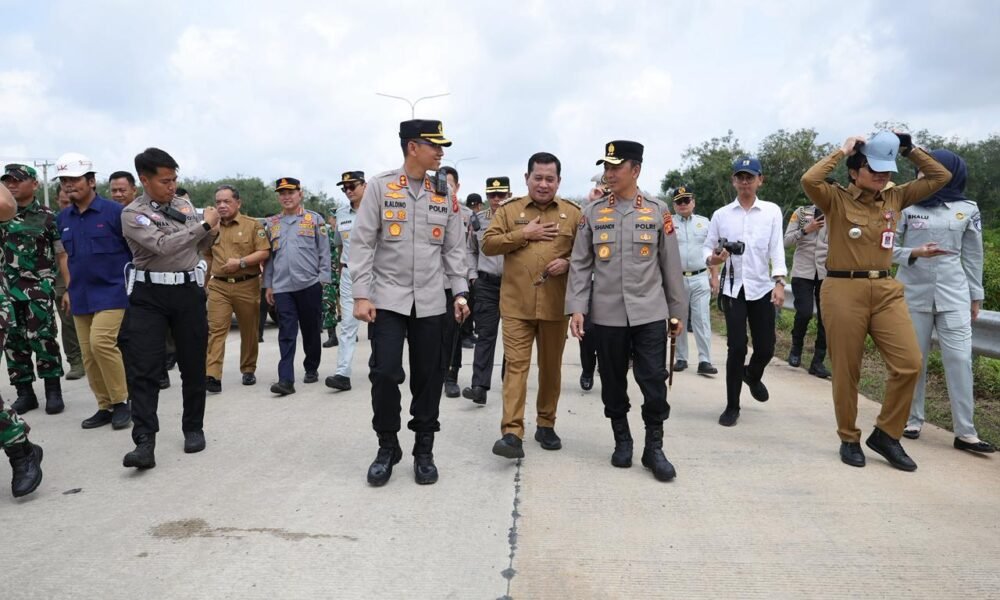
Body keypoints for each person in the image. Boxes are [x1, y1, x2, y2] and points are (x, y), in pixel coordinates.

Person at [802, 130, 952, 471]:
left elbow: (940, 177)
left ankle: (886, 434)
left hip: (885, 289)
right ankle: (848, 437)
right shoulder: (835, 198)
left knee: (910, 363)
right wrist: (842, 150)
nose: (883, 175)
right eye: (875, 169)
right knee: (847, 371)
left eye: (887, 169)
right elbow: (810, 179)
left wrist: (910, 149)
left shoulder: (896, 197)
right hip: (843, 289)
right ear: (855, 172)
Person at [349, 119, 470, 486]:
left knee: (429, 377)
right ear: (412, 147)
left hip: (432, 299)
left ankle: (423, 449)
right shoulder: (380, 187)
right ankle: (387, 445)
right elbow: (362, 243)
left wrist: (460, 291)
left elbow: (454, 248)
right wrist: (361, 295)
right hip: (387, 298)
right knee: (385, 373)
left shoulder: (444, 192)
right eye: (434, 145)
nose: (441, 152)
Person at [567, 141, 686, 482]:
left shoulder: (657, 211)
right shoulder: (592, 213)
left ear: (635, 170)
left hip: (649, 312)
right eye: (606, 167)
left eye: (615, 167)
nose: (609, 173)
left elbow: (670, 265)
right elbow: (580, 264)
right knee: (612, 382)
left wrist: (677, 313)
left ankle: (654, 448)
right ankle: (622, 439)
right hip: (606, 314)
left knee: (654, 382)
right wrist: (577, 308)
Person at [121, 147, 220, 468]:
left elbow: (201, 244)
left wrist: (213, 230)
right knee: (144, 368)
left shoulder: (183, 206)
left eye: (174, 179)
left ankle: (193, 427)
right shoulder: (132, 214)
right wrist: (204, 227)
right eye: (165, 181)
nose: (172, 186)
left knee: (193, 364)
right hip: (149, 295)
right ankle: (144, 441)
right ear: (145, 180)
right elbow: (163, 246)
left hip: (187, 291)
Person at [893, 149, 993, 454]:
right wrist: (913, 253)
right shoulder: (904, 205)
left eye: (932, 168)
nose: (923, 173)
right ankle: (912, 419)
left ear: (950, 173)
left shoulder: (968, 209)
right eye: (921, 169)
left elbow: (973, 255)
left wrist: (976, 295)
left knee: (960, 360)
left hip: (954, 294)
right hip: (911, 293)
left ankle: (966, 432)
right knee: (915, 360)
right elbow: (885, 248)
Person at [482, 152, 581, 459]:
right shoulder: (509, 210)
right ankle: (512, 433)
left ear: (559, 181)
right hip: (516, 305)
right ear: (527, 178)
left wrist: (567, 263)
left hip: (555, 306)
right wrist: (524, 234)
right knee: (516, 367)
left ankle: (546, 423)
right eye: (538, 177)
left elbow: (586, 255)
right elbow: (488, 244)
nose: (543, 184)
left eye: (550, 179)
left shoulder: (573, 213)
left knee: (551, 369)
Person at [705, 157, 787, 427]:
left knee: (766, 347)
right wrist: (713, 259)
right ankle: (732, 405)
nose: (745, 182)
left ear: (760, 180)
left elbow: (777, 248)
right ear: (733, 181)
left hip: (761, 287)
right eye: (740, 177)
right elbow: (708, 247)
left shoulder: (772, 211)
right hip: (733, 288)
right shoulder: (721, 215)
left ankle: (751, 374)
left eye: (750, 177)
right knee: (737, 347)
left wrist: (779, 282)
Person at [55, 153, 133, 431]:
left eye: (74, 179)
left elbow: (135, 251)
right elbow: (66, 257)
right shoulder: (63, 218)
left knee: (101, 343)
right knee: (88, 354)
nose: (68, 185)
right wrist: (68, 289)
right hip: (80, 294)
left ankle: (122, 402)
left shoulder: (114, 212)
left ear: (91, 181)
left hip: (113, 290)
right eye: (64, 180)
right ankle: (105, 405)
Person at [1, 163, 67, 415]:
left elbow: (61, 254)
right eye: (7, 181)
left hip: (38, 289)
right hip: (7, 290)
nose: (11, 185)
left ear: (35, 184)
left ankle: (53, 391)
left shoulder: (48, 217)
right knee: (13, 343)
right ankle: (25, 393)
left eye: (17, 180)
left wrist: (66, 286)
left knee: (44, 339)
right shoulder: (1, 214)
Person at [263, 177, 330, 396]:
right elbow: (270, 258)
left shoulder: (314, 219)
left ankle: (311, 367)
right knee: (286, 332)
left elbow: (324, 252)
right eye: (282, 193)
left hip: (309, 284)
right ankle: (286, 379)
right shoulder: (271, 223)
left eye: (290, 192)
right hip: (282, 287)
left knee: (311, 330)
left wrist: (323, 280)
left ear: (300, 194)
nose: (286, 197)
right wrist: (268, 285)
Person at [204, 184, 270, 393]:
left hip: (246, 284)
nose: (222, 206)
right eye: (218, 202)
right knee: (216, 330)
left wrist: (240, 263)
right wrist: (204, 284)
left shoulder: (252, 225)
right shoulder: (211, 227)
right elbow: (207, 257)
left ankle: (248, 368)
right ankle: (213, 375)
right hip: (219, 286)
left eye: (227, 201)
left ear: (238, 203)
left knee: (249, 330)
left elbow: (264, 252)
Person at [462, 177, 510, 405]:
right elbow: (470, 250)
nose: (497, 199)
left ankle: (510, 382)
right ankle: (479, 387)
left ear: (509, 195)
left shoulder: (519, 219)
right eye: (492, 195)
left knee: (513, 336)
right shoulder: (478, 220)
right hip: (486, 285)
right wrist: (472, 276)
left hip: (513, 285)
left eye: (501, 195)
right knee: (485, 335)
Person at [671, 185, 719, 376]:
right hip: (677, 278)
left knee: (702, 319)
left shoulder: (705, 223)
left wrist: (714, 276)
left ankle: (705, 360)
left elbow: (712, 252)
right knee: (678, 318)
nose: (683, 204)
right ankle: (681, 358)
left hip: (700, 276)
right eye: (679, 201)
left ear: (693, 202)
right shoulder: (667, 223)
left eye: (686, 200)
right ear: (674, 205)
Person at [325, 171, 365, 392]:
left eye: (352, 186)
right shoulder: (341, 214)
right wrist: (342, 270)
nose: (348, 191)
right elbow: (340, 245)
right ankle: (342, 374)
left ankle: (383, 367)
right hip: (350, 273)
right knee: (348, 324)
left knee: (383, 324)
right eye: (344, 188)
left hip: (378, 273)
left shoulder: (379, 208)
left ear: (364, 185)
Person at [784, 199, 831, 378]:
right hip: (803, 271)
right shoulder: (802, 213)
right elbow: (786, 241)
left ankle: (818, 361)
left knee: (826, 319)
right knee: (804, 312)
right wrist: (806, 229)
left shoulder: (838, 213)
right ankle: (796, 349)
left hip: (827, 272)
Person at [438, 165, 472, 398]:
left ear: (457, 187)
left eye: (449, 184)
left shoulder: (466, 214)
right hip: (431, 281)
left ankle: (451, 375)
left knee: (453, 332)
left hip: (455, 282)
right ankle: (434, 372)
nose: (445, 188)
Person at [52, 186, 84, 380]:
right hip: (61, 277)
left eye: (70, 203)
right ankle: (75, 360)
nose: (68, 206)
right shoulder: (53, 222)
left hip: (88, 274)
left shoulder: (86, 218)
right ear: (57, 201)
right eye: (64, 203)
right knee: (68, 319)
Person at [321, 211, 341, 348]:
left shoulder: (344, 233)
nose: (333, 220)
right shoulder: (326, 234)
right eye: (333, 218)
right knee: (328, 305)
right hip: (330, 275)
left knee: (347, 305)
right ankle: (332, 336)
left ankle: (349, 332)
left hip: (343, 274)